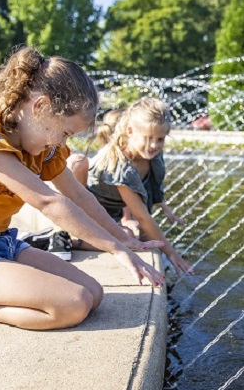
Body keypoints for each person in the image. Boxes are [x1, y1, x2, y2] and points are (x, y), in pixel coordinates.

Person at [0, 45, 165, 331]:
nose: (62, 144)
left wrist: (124, 240)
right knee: (72, 305)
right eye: (63, 133)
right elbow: (48, 202)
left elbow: (78, 194)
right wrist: (114, 249)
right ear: (40, 107)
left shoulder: (41, 147)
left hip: (3, 242)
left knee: (94, 295)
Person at [67, 98, 193, 275]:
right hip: (89, 210)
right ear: (130, 131)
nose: (154, 145)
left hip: (112, 212)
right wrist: (172, 253)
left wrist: (163, 209)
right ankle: (71, 239)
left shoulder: (152, 157)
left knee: (137, 235)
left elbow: (151, 191)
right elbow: (143, 217)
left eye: (160, 139)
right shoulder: (121, 166)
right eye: (148, 138)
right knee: (130, 237)